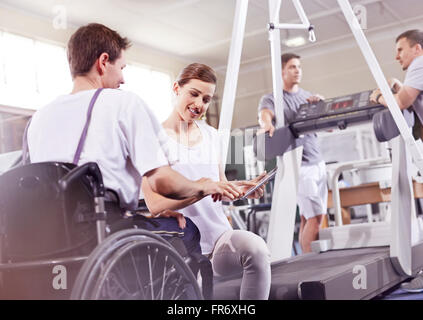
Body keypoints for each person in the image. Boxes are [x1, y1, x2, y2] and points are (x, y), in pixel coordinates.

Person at [26, 23, 243, 257]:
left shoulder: (38, 118)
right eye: (121, 68)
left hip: (49, 234)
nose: (123, 79)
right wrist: (203, 185)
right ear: (103, 62)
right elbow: (162, 182)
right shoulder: (124, 103)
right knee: (187, 233)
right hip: (100, 229)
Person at [142, 63, 272, 300]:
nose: (199, 105)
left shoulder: (212, 136)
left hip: (220, 241)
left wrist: (241, 189)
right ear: (176, 89)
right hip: (181, 249)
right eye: (193, 94)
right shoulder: (152, 139)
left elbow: (218, 186)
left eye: (206, 99)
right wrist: (199, 191)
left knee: (256, 250)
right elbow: (155, 206)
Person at [257, 53, 327, 253]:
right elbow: (265, 114)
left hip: (318, 161)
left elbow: (327, 126)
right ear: (282, 72)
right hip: (300, 166)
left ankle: (307, 258)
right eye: (292, 67)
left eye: (299, 67)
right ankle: (311, 262)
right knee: (316, 217)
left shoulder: (308, 96)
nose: (297, 70)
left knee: (309, 217)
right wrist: (266, 125)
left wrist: (321, 105)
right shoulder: (273, 98)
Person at [370, 29, 423, 293]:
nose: (396, 55)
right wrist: (393, 82)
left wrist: (379, 97)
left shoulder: (420, 64)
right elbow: (414, 98)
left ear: (417, 49)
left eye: (401, 49)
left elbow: (402, 102)